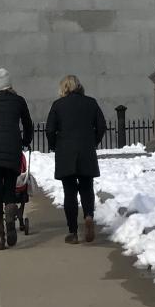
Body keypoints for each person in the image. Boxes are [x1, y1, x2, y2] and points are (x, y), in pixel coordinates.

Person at [45, 74, 107, 244]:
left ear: (63, 87)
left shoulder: (58, 105)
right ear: (79, 86)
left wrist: (54, 145)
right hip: (86, 151)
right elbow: (101, 125)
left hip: (66, 153)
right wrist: (93, 141)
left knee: (69, 192)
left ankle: (73, 232)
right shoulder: (91, 102)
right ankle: (88, 216)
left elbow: (50, 129)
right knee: (87, 187)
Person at [0, 68, 33, 249]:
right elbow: (28, 124)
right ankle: (11, 220)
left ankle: (0, 237)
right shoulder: (18, 101)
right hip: (12, 149)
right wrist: (25, 141)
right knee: (10, 189)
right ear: (10, 83)